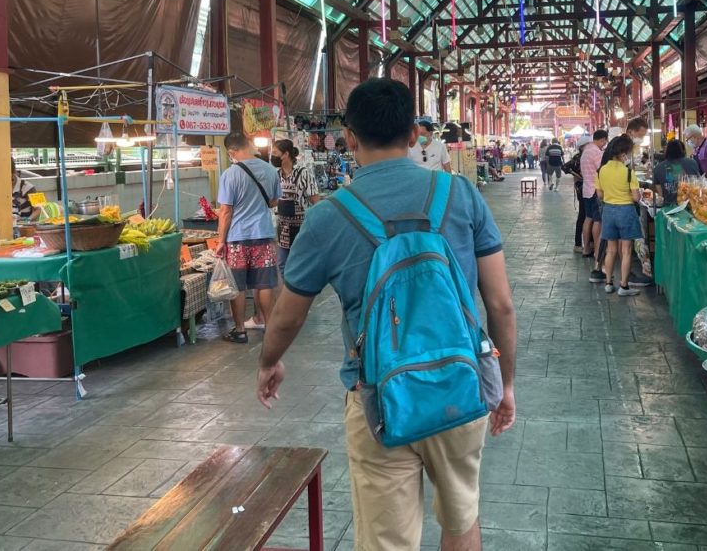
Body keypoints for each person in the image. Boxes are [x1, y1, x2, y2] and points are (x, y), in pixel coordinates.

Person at [257, 78, 517, 551]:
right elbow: (500, 303)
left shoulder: (329, 216)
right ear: (415, 135)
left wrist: (268, 360)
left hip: (378, 398)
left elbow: (288, 315)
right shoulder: (460, 195)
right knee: (461, 522)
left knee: (386, 540)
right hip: (460, 387)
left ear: (349, 139)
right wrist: (506, 383)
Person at [215, 132, 282, 344]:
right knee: (263, 284)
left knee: (238, 285)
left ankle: (240, 330)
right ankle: (270, 327)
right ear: (249, 145)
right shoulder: (271, 170)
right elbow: (273, 202)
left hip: (237, 239)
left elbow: (225, 211)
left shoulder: (230, 174)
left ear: (231, 152)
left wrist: (220, 242)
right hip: (263, 235)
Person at [595, 135, 642, 297]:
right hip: (626, 211)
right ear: (623, 153)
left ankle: (608, 283)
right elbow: (636, 198)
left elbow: (600, 195)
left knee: (611, 250)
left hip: (609, 211)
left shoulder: (601, 170)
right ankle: (624, 286)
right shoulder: (628, 172)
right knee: (626, 250)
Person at [272, 139, 322, 280]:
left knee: (300, 263)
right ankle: (289, 291)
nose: (272, 156)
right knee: (282, 264)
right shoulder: (276, 175)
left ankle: (300, 292)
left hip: (301, 227)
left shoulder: (304, 173)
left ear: (286, 154)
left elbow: (315, 201)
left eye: (275, 153)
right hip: (283, 227)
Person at [581, 130, 609, 275]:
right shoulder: (596, 152)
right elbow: (602, 170)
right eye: (605, 141)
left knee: (588, 218)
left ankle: (586, 248)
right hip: (595, 190)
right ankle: (597, 252)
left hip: (586, 189)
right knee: (597, 221)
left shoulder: (586, 151)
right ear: (603, 140)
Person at [653, 139, 701, 206]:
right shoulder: (692, 163)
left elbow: (660, 195)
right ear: (683, 150)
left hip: (669, 208)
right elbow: (698, 184)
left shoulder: (658, 168)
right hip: (691, 206)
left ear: (667, 151)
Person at [564, 136, 590, 253]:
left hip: (585, 188)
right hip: (583, 188)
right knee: (584, 215)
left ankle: (584, 243)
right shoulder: (579, 157)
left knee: (585, 216)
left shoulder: (583, 156)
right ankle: (579, 244)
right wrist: (578, 177)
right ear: (583, 146)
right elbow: (565, 167)